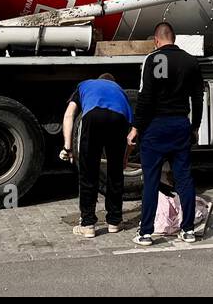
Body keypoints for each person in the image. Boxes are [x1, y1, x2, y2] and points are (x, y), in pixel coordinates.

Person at [130, 21, 204, 245]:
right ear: (174, 38)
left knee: (151, 180)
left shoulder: (151, 59)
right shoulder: (190, 61)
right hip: (180, 125)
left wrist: (136, 127)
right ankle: (188, 230)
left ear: (156, 40)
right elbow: (198, 98)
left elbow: (145, 98)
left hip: (154, 127)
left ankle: (145, 233)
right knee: (184, 179)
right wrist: (195, 127)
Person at [61, 73, 133, 238]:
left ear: (99, 80)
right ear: (112, 82)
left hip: (93, 117)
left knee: (88, 173)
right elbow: (132, 137)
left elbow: (69, 114)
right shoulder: (120, 91)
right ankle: (114, 222)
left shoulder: (84, 85)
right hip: (118, 119)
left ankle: (87, 224)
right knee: (115, 174)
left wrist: (67, 147)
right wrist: (125, 158)